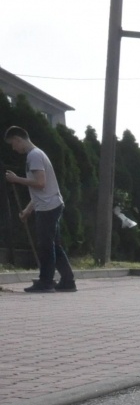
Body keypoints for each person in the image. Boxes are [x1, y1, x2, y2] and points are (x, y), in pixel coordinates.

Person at [4, 126, 76, 293]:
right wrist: (28, 210)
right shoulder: (37, 154)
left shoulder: (34, 156)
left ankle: (46, 282)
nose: (13, 148)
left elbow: (40, 183)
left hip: (48, 208)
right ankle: (68, 281)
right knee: (54, 246)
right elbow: (39, 191)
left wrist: (16, 179)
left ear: (18, 139)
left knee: (46, 246)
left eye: (13, 144)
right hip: (51, 204)